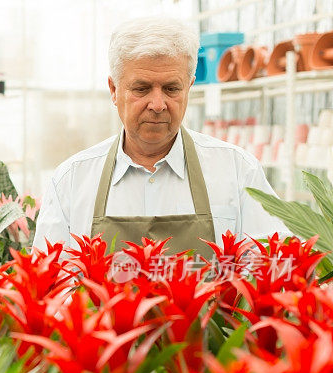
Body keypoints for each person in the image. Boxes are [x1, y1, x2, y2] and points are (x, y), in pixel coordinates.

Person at [32, 17, 288, 258]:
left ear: (189, 88)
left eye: (171, 88)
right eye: (141, 89)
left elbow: (270, 271)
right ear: (113, 89)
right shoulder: (73, 180)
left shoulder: (237, 171)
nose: (157, 104)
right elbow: (53, 287)